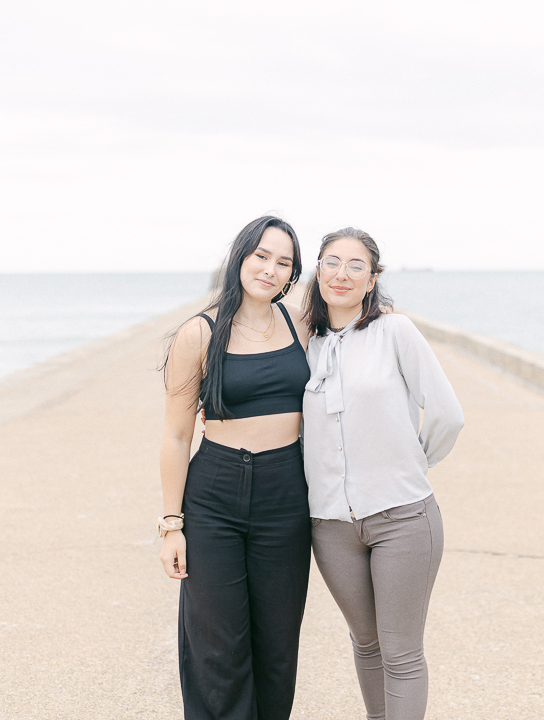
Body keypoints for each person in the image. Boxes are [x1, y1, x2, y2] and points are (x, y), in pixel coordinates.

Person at [302, 227, 464, 720]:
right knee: (366, 644)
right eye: (332, 262)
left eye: (356, 265)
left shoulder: (396, 332)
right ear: (318, 270)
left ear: (373, 279)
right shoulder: (303, 343)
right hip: (330, 526)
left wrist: (413, 465)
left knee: (401, 652)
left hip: (402, 518)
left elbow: (447, 414)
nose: (342, 274)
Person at [159, 216, 312, 720]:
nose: (269, 268)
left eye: (283, 262)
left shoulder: (300, 322)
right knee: (217, 649)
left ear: (292, 274)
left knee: (276, 647)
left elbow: (355, 300)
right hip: (215, 497)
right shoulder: (197, 334)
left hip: (285, 494)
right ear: (240, 257)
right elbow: (178, 435)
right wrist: (171, 524)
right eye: (261, 255)